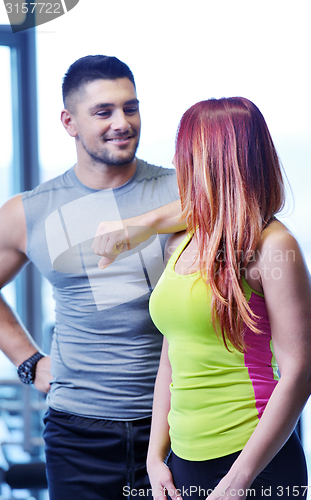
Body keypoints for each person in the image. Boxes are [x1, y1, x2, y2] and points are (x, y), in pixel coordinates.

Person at [0, 55, 185, 500]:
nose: (122, 122)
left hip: (177, 423)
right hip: (77, 432)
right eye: (103, 112)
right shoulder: (31, 210)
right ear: (69, 122)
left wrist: (146, 222)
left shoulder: (182, 191)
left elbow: (249, 206)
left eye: (130, 107)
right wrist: (29, 363)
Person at [147, 97, 311, 500]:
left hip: (253, 460)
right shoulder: (183, 240)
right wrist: (156, 456)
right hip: (184, 460)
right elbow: (172, 355)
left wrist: (239, 481)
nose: (181, 164)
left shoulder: (274, 247)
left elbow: (299, 374)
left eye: (188, 152)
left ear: (221, 159)